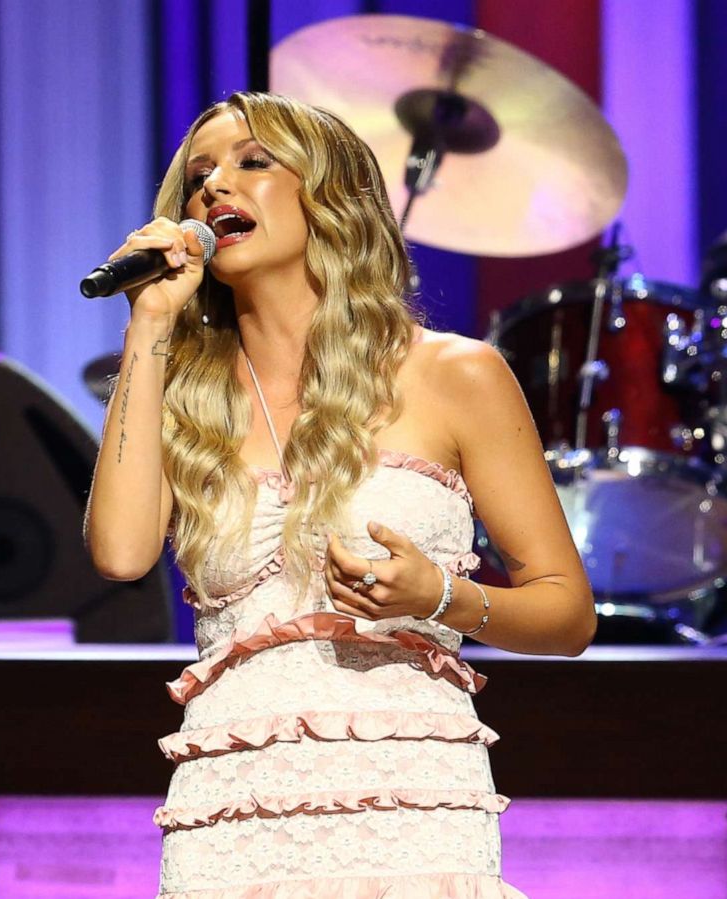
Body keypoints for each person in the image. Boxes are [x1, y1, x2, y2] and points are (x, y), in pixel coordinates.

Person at [84, 92, 595, 896]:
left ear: (334, 195)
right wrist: (149, 322)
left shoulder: (454, 374)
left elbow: (569, 613)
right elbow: (118, 553)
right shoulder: (181, 392)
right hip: (233, 816)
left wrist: (442, 597)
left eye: (254, 162)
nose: (216, 187)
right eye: (199, 175)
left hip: (411, 810)